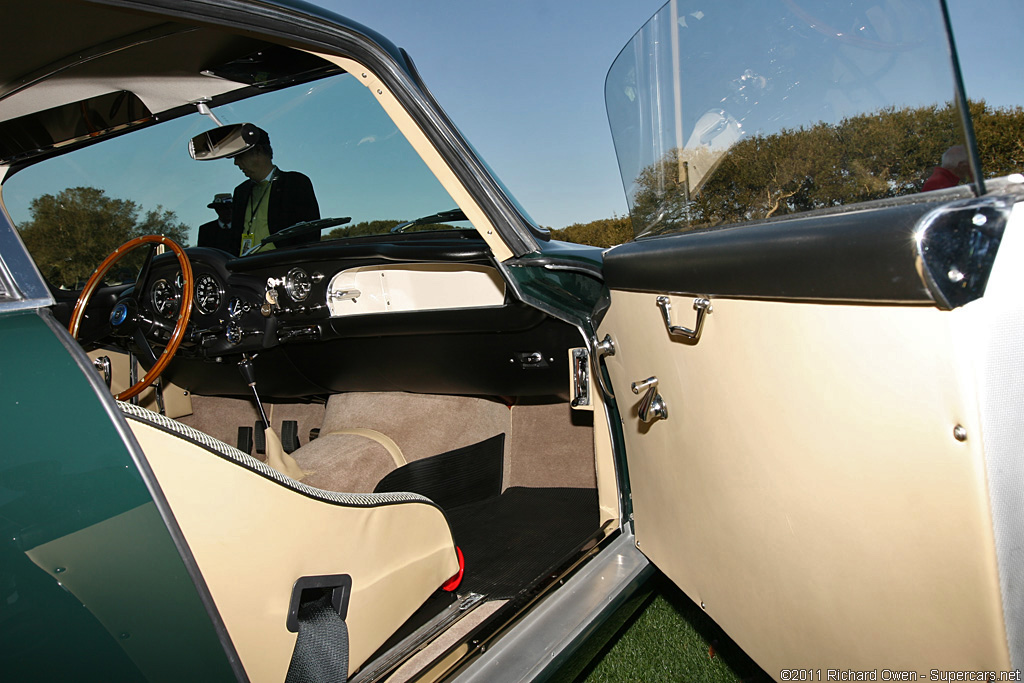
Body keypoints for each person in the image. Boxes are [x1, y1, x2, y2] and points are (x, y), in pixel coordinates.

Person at [230, 127, 319, 253]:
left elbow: (310, 234)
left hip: (280, 265)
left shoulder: (296, 183)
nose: (236, 163)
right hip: (245, 266)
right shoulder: (240, 192)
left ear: (258, 151)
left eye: (239, 156)